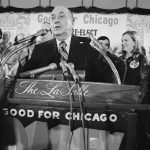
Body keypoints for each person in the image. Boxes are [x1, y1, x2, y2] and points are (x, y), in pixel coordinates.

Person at [20, 6, 116, 84]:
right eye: (52, 18)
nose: (56, 20)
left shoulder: (89, 47)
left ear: (73, 22)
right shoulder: (40, 48)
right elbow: (22, 78)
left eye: (61, 16)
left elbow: (107, 81)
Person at [117, 30, 150, 150]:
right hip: (121, 103)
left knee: (137, 136)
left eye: (126, 40)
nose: (123, 42)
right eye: (122, 40)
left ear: (134, 42)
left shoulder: (141, 58)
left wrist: (137, 103)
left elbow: (145, 82)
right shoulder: (119, 59)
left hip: (136, 106)